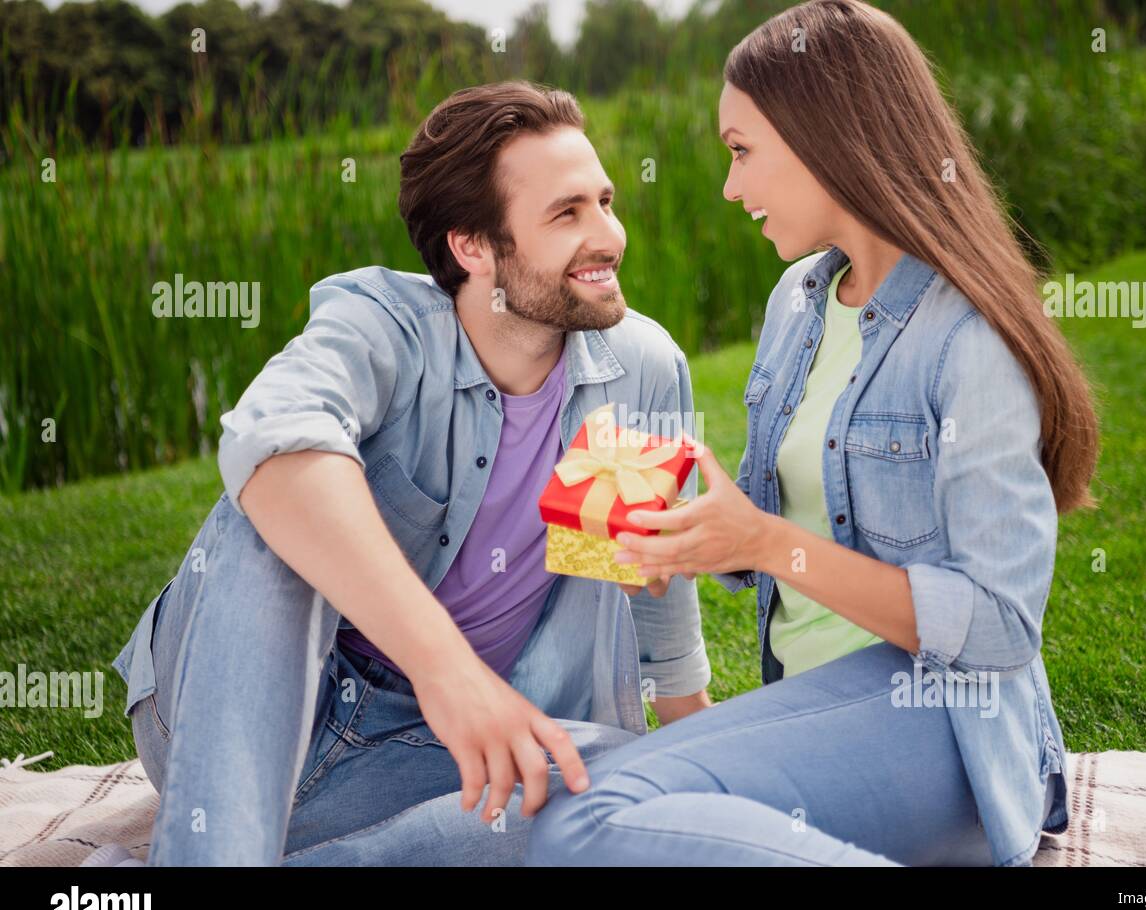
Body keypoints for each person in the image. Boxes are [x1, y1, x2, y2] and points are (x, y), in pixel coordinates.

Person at [525, 0, 1099, 867]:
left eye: (741, 151)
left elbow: (998, 630)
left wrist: (764, 540)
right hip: (815, 708)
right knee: (587, 812)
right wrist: (686, 535)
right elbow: (780, 525)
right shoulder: (797, 301)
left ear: (827, 134)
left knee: (587, 821)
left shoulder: (965, 337)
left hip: (942, 726)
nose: (729, 187)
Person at [110, 81, 712, 865]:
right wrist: (446, 670)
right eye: (568, 214)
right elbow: (273, 441)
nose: (609, 236)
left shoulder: (634, 371)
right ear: (472, 247)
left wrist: (700, 748)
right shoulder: (386, 328)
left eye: (606, 202)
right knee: (278, 499)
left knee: (639, 788)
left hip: (429, 755)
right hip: (228, 715)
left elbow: (648, 584)